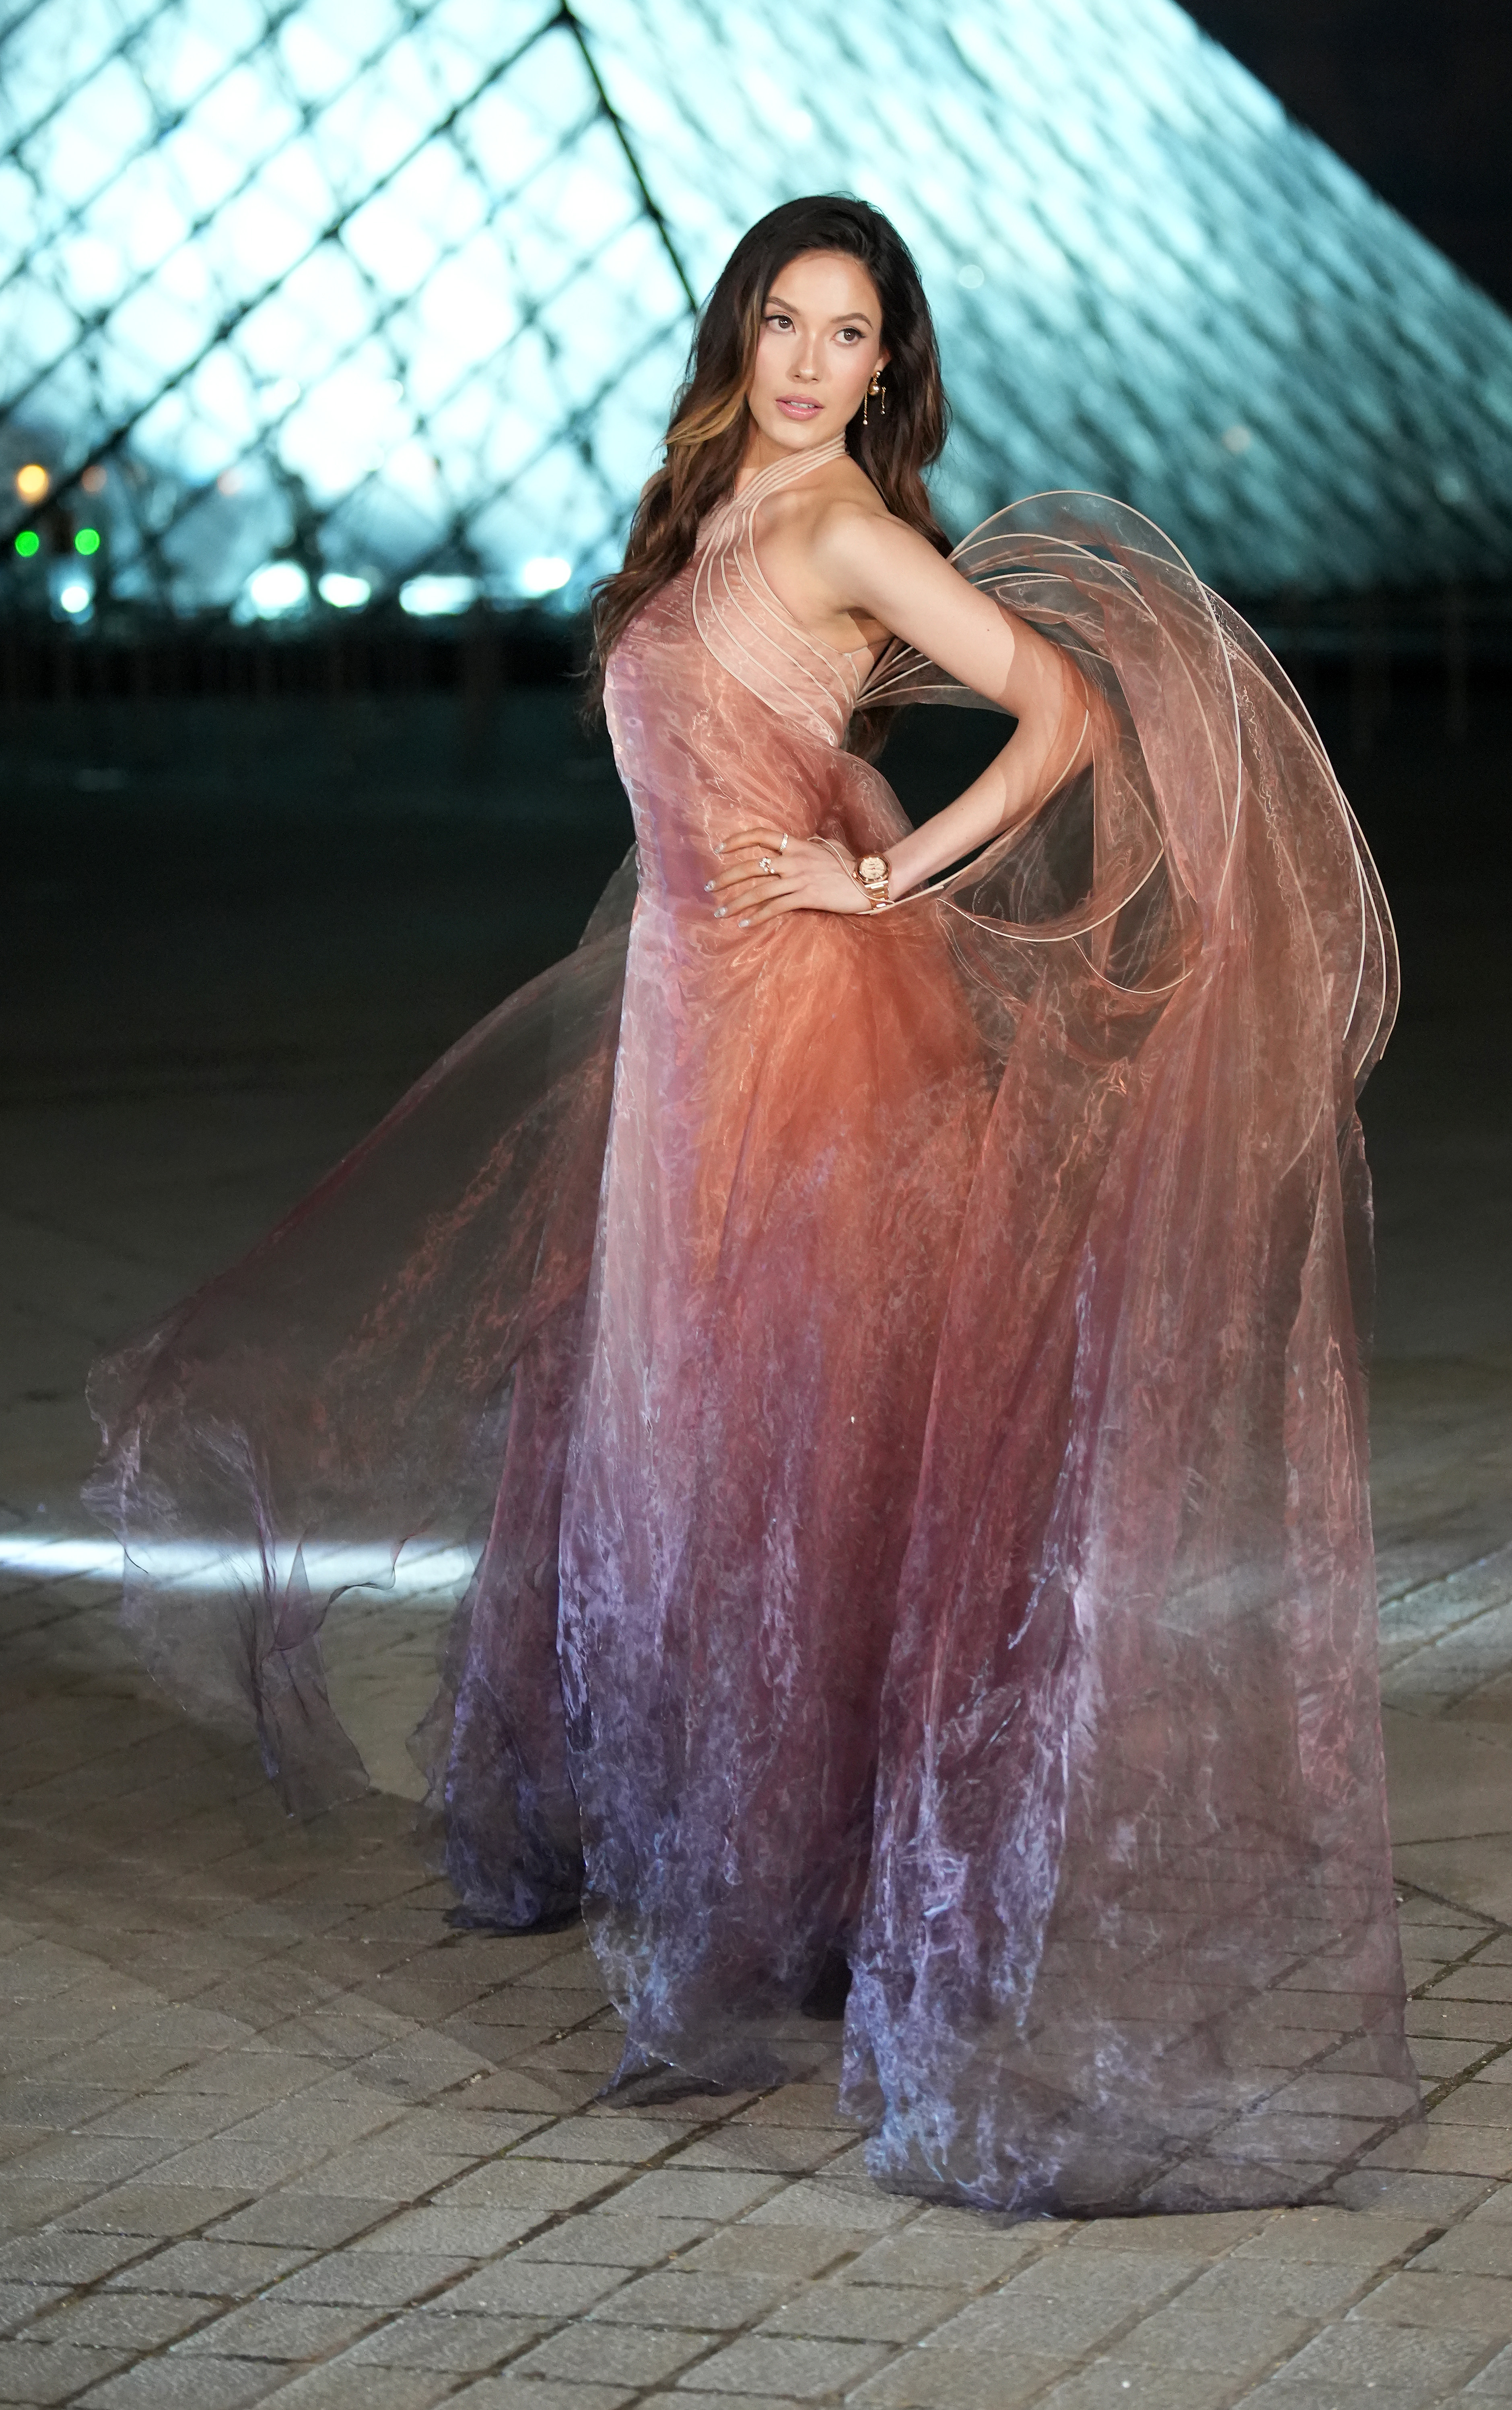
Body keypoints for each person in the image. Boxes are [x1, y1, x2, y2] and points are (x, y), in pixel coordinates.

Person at [89, 196, 1416, 2216]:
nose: (807, 361)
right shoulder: (712, 506)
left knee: (773, 1460)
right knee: (702, 1448)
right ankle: (761, 1867)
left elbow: (1060, 710)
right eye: (783, 320)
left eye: (846, 332)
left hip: (805, 1034)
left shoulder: (842, 531)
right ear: (740, 332)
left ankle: (776, 1893)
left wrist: (881, 877)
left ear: (887, 367)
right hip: (690, 1020)